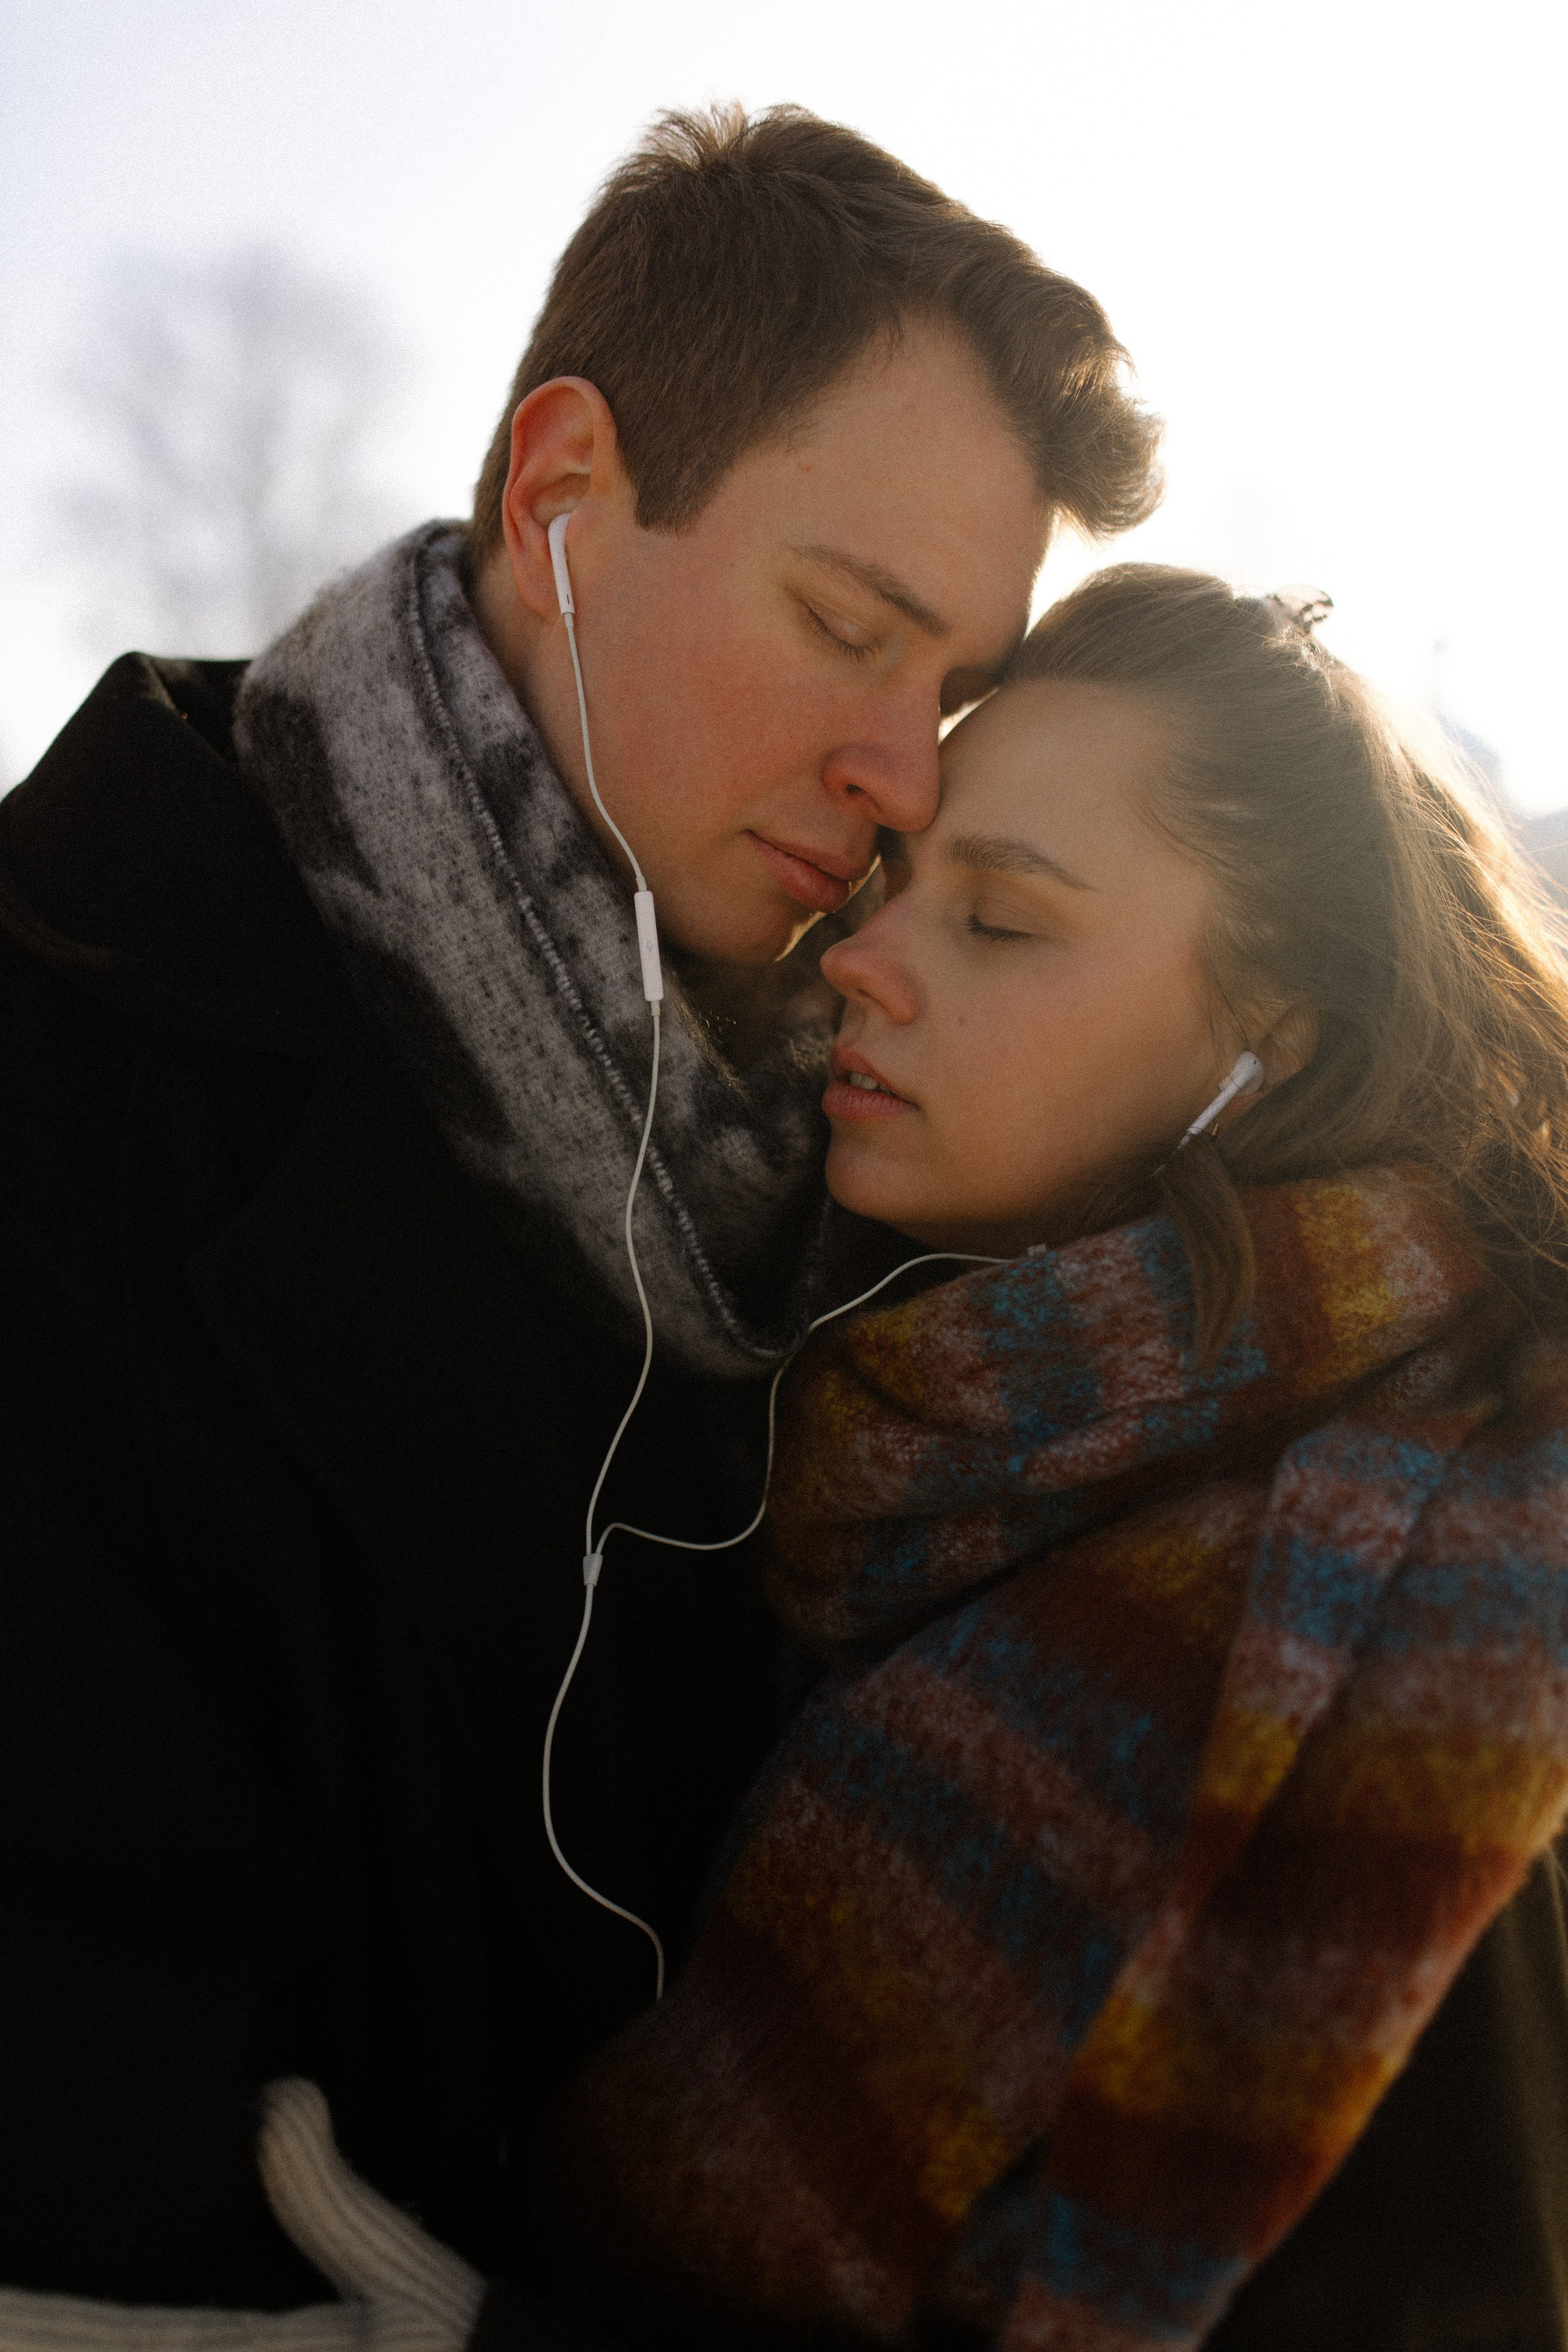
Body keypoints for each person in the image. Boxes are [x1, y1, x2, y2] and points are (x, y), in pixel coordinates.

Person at [0, 106, 1161, 2345]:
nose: (908, 775)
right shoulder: (67, 1061)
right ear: (560, 493)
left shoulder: (894, 1179)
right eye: (846, 624)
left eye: (949, 694)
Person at [549, 568, 1568, 2351]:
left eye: (1002, 922)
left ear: (1274, 1041)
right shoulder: (925, 1443)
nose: (860, 958)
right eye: (891, 886)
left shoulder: (1426, 1618)